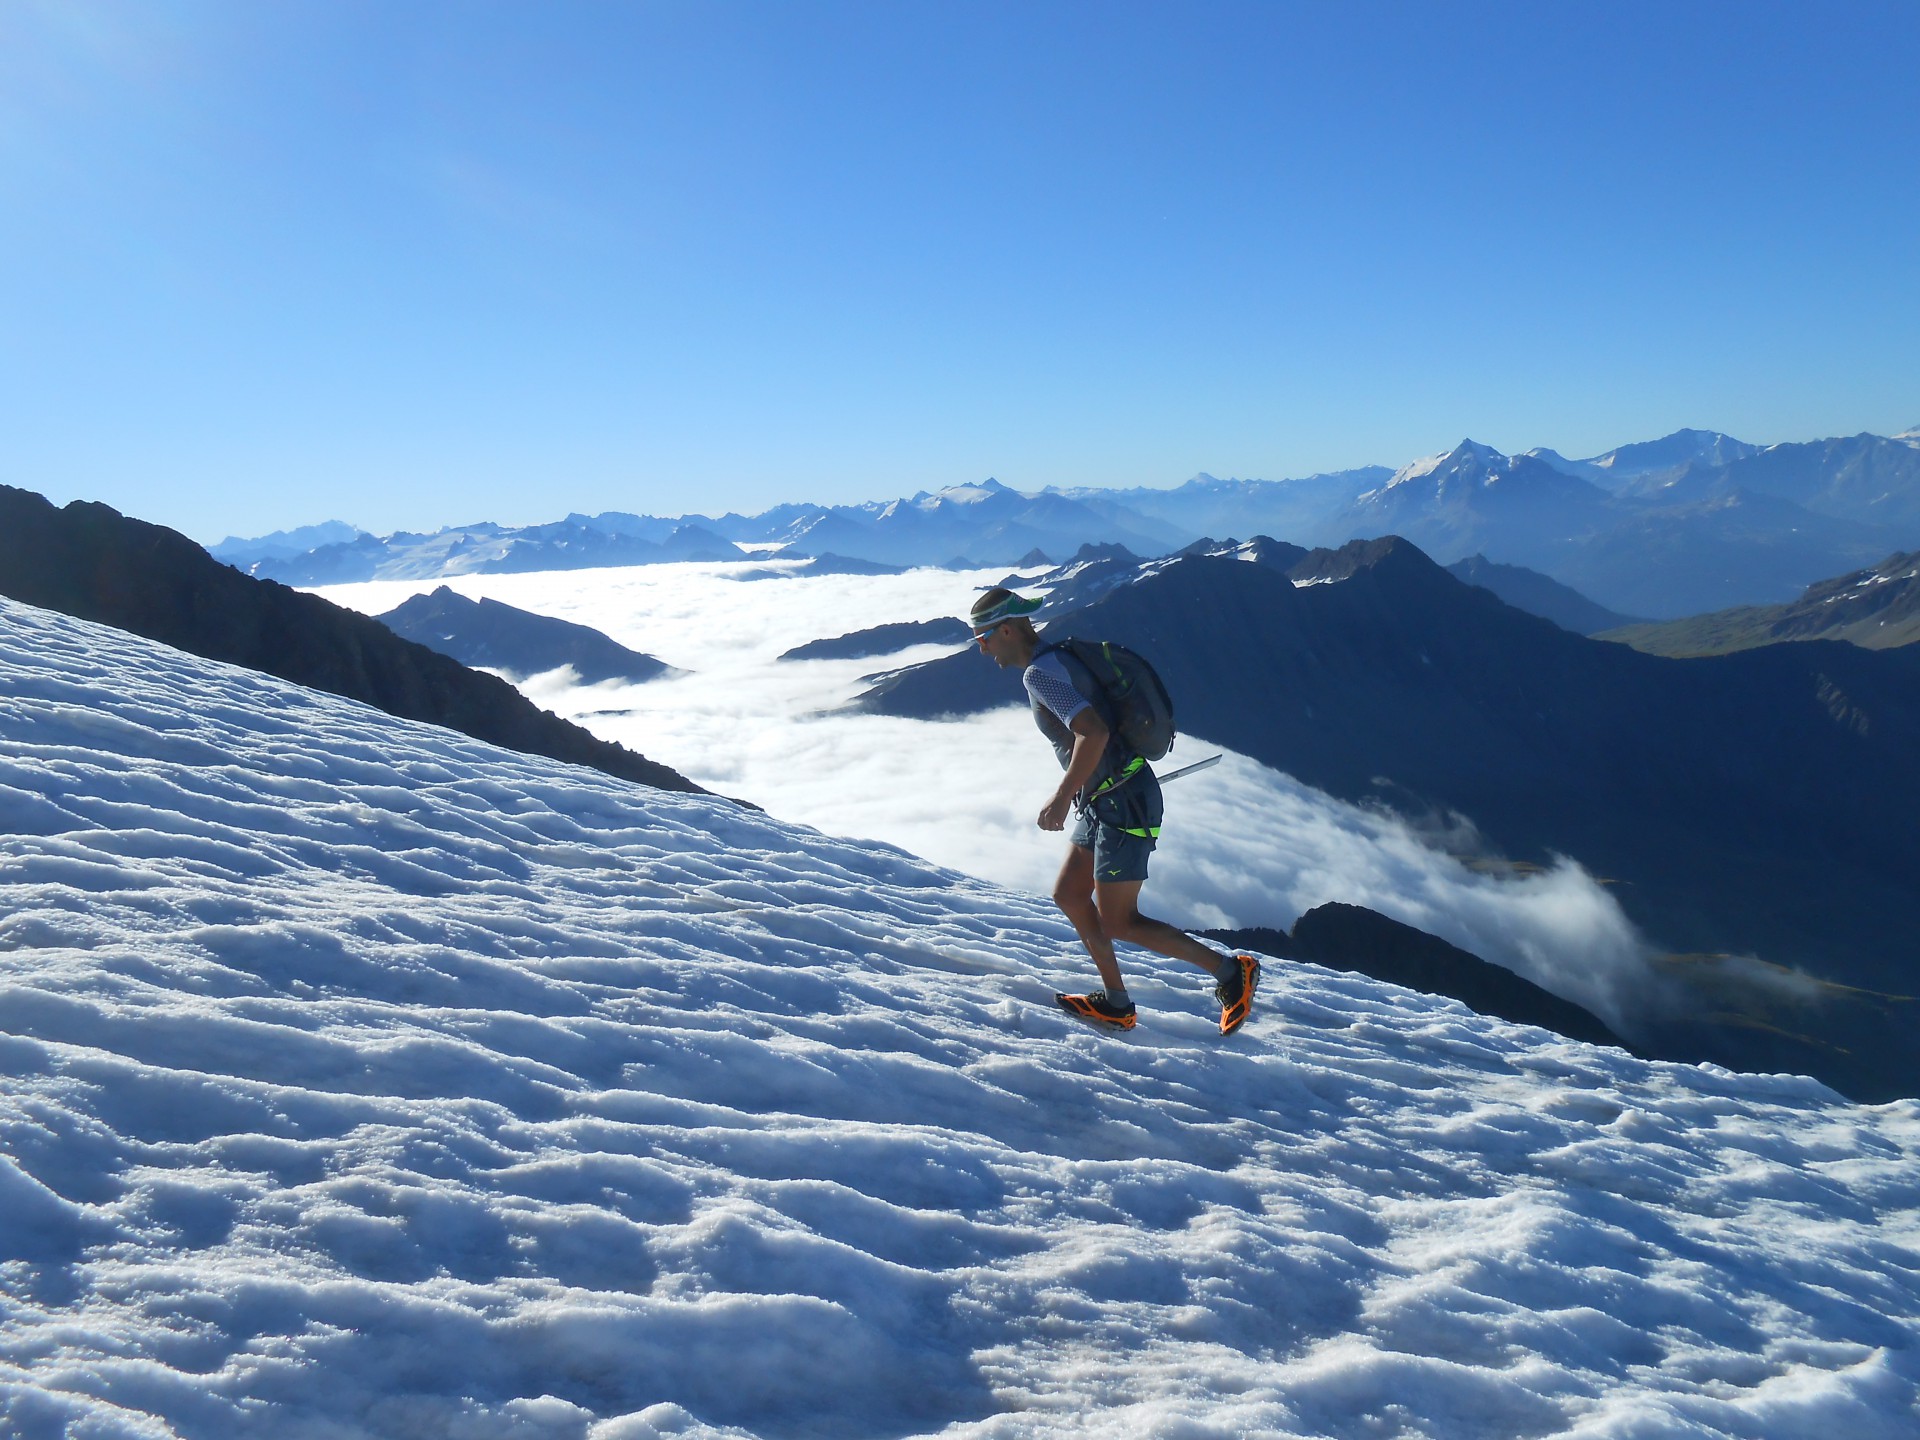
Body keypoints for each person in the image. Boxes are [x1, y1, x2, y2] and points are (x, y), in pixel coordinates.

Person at [969, 587, 1259, 1033]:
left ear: (1006, 629)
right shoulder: (1060, 658)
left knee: (1119, 921)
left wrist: (1062, 795)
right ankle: (1118, 1003)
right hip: (1108, 800)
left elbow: (1094, 734)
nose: (982, 648)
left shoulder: (1039, 676)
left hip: (1123, 804)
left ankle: (1230, 972)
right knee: (1069, 894)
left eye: (983, 638)